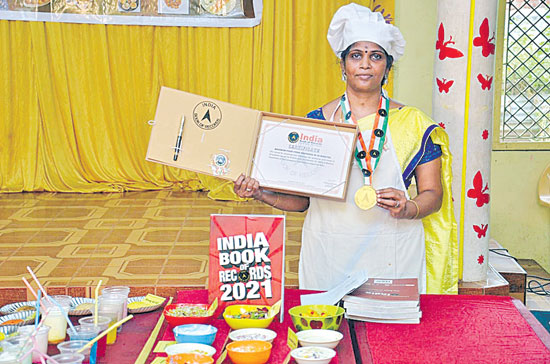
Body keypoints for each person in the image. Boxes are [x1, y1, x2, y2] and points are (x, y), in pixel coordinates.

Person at [234, 3, 458, 294]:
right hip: (329, 252)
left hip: (393, 252)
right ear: (343, 65)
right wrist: (260, 193)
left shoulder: (414, 124)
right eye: (356, 55)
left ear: (387, 67)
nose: (365, 64)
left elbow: (434, 195)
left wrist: (409, 207)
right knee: (328, 330)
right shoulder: (317, 123)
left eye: (375, 56)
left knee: (391, 335)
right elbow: (304, 201)